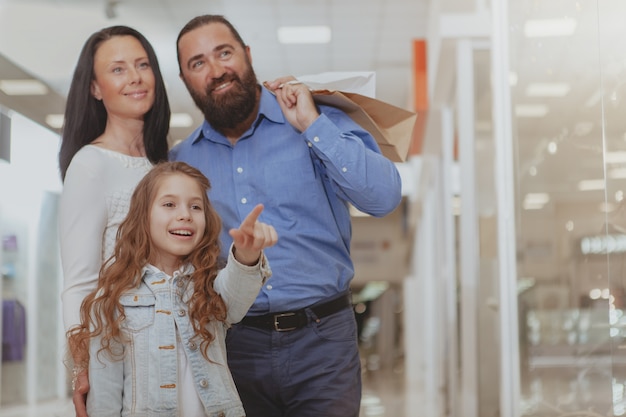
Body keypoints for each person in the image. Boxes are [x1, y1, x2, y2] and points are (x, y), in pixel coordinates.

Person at [170, 15, 403, 417]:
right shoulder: (183, 162)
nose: (216, 70)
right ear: (186, 79)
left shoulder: (315, 120)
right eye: (198, 63)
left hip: (323, 343)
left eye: (224, 53)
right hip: (234, 349)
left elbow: (383, 197)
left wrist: (313, 125)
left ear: (246, 55)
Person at [67, 161, 277, 416]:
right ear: (143, 215)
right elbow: (105, 399)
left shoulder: (208, 288)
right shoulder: (111, 300)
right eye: (169, 204)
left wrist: (247, 253)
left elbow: (236, 294)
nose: (185, 214)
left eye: (195, 206)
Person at [58, 25, 170, 416]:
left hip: (174, 346)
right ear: (95, 87)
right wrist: (81, 370)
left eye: (142, 65)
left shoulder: (164, 166)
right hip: (118, 350)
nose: (136, 77)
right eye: (118, 69)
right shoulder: (90, 164)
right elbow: (80, 282)